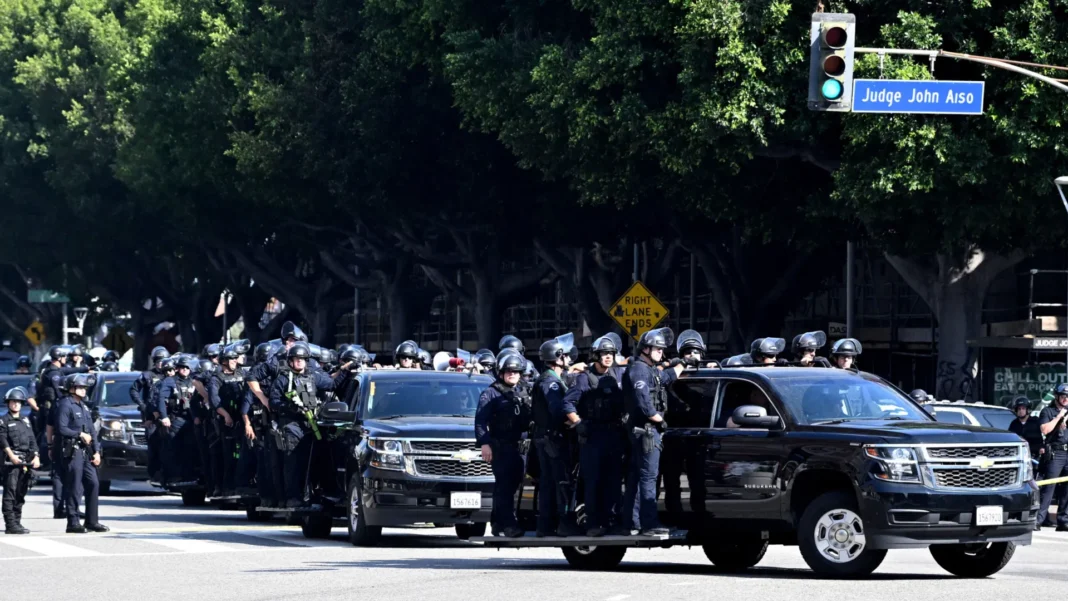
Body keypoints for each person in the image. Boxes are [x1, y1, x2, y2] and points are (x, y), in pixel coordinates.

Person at [267, 343, 351, 507]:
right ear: (290, 361)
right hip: (291, 425)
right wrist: (290, 407)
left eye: (302, 359)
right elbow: (274, 402)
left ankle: (313, 494)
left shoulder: (313, 376)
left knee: (315, 462)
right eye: (296, 359)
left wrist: (345, 371)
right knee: (293, 463)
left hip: (311, 425)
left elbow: (332, 384)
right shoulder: (283, 379)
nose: (299, 362)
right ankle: (293, 497)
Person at [622, 327, 686, 536]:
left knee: (637, 476)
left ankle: (632, 522)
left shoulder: (649, 369)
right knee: (649, 477)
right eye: (658, 349)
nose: (661, 352)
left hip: (645, 430)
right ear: (646, 349)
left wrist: (683, 363)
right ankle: (649, 524)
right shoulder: (639, 369)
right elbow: (643, 401)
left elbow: (664, 378)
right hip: (647, 430)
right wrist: (659, 420)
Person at [565, 334, 625, 536]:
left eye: (610, 353)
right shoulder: (584, 378)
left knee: (613, 480)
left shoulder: (616, 376)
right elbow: (567, 404)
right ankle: (592, 523)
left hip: (613, 435)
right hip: (592, 437)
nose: (608, 357)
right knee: (593, 481)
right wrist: (578, 423)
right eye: (604, 353)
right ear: (596, 355)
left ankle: (610, 520)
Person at [475, 353, 530, 538]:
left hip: (520, 446)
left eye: (515, 371)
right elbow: (480, 421)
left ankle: (498, 522)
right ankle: (508, 525)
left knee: (512, 485)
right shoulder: (490, 393)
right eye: (508, 371)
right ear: (501, 372)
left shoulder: (523, 390)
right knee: (505, 486)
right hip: (501, 446)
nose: (512, 374)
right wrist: (485, 444)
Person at [531, 333, 581, 537]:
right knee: (560, 481)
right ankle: (563, 523)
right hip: (552, 438)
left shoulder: (552, 379)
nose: (568, 360)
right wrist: (575, 422)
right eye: (565, 356)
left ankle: (545, 525)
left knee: (549, 481)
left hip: (547, 437)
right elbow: (557, 408)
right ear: (558, 358)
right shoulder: (550, 382)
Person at [56, 374, 107, 533]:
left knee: (93, 483)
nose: (84, 390)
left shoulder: (84, 406)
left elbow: (92, 431)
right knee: (75, 486)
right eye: (80, 387)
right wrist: (78, 435)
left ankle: (92, 521)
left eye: (85, 388)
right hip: (73, 451)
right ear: (71, 388)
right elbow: (61, 428)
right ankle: (73, 522)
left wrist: (97, 452)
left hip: (86, 452)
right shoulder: (65, 405)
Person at [209, 346, 247, 497]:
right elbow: (214, 400)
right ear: (223, 361)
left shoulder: (242, 373)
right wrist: (226, 415)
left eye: (235, 358)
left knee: (242, 454)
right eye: (231, 359)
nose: (234, 361)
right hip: (225, 420)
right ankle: (224, 486)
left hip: (241, 418)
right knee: (227, 455)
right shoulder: (216, 378)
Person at [1, 387, 39, 534]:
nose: (15, 404)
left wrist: (36, 456)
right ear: (8, 403)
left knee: (20, 493)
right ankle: (10, 525)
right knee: (10, 493)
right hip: (11, 462)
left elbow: (32, 439)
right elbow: (2, 441)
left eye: (18, 402)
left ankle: (17, 522)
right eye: (13, 402)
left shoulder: (25, 420)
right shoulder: (3, 421)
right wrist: (12, 456)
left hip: (26, 461)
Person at [157, 357, 198, 486]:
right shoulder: (170, 381)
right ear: (177, 368)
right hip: (176, 419)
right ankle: (172, 477)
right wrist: (164, 416)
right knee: (173, 448)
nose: (185, 370)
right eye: (182, 367)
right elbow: (161, 399)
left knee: (190, 449)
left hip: (191, 419)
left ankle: (188, 477)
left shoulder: (194, 381)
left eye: (187, 367)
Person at [1036, 384, 1068, 532]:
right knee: (1049, 487)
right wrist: (1059, 417)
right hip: (1056, 453)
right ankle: (1038, 520)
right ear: (1056, 397)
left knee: (1067, 489)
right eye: (1063, 396)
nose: (1066, 399)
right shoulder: (1047, 411)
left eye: (1067, 397)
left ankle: (1063, 521)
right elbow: (1045, 429)